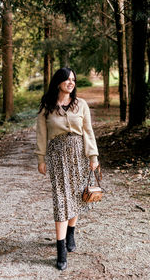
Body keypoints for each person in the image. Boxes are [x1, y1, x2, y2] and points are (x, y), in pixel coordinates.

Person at [35, 67, 99, 270]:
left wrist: (93, 156)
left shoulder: (81, 105)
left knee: (76, 196)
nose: (71, 82)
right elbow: (41, 134)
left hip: (79, 154)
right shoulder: (47, 106)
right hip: (57, 156)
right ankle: (61, 249)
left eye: (73, 79)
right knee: (61, 199)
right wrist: (41, 159)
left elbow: (88, 131)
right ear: (58, 82)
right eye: (67, 79)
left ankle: (71, 231)